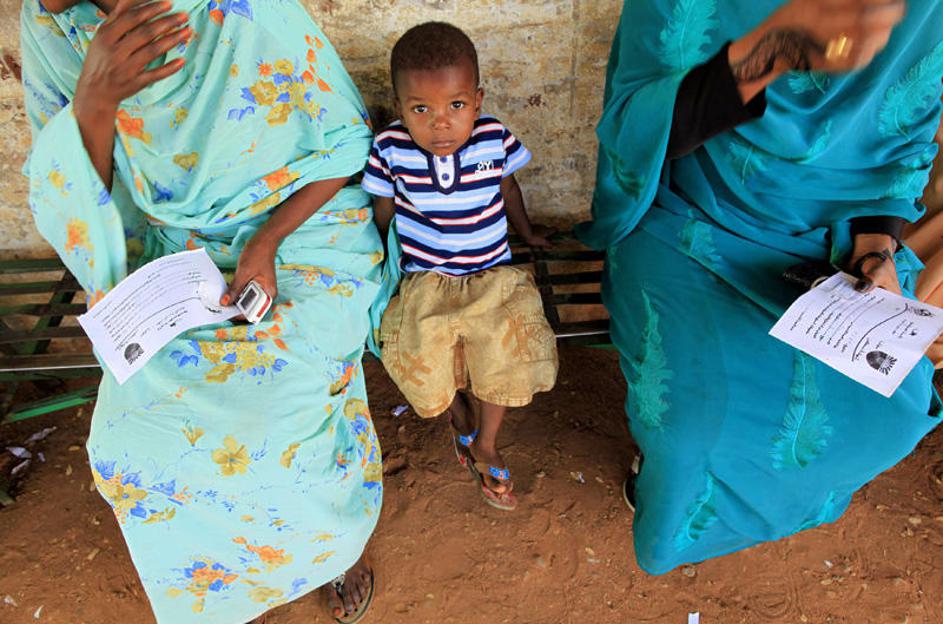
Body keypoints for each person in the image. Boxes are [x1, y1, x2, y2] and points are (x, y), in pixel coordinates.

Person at [21, 0, 383, 621]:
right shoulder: (52, 26)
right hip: (175, 251)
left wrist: (265, 242)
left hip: (304, 233)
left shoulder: (231, 10)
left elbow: (347, 144)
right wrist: (95, 102)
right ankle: (229, 587)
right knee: (128, 446)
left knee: (281, 429)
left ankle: (332, 550)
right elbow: (73, 198)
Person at [575, 0, 943, 574]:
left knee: (889, 414)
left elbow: (903, 139)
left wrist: (876, 245)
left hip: (840, 228)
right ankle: (667, 506)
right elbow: (635, 129)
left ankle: (766, 504)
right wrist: (771, 50)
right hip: (694, 211)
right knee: (690, 427)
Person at [362, 22, 558, 512]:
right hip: (426, 279)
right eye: (421, 110)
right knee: (416, 352)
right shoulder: (390, 148)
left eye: (455, 105)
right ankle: (458, 416)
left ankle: (486, 442)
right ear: (400, 107)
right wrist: (386, 260)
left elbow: (508, 188)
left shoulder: (494, 138)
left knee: (509, 353)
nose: (441, 124)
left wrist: (528, 233)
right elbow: (384, 210)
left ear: (477, 100)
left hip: (493, 275)